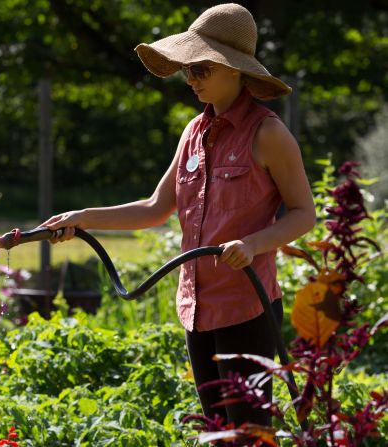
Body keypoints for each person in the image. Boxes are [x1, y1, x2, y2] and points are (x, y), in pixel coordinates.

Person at [40, 3, 315, 426]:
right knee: (216, 431)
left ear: (235, 69)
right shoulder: (193, 133)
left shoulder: (269, 133)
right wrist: (81, 217)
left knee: (249, 433)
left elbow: (303, 214)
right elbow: (154, 208)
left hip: (248, 306)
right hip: (197, 309)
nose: (190, 78)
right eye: (188, 69)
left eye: (201, 69)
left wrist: (253, 244)